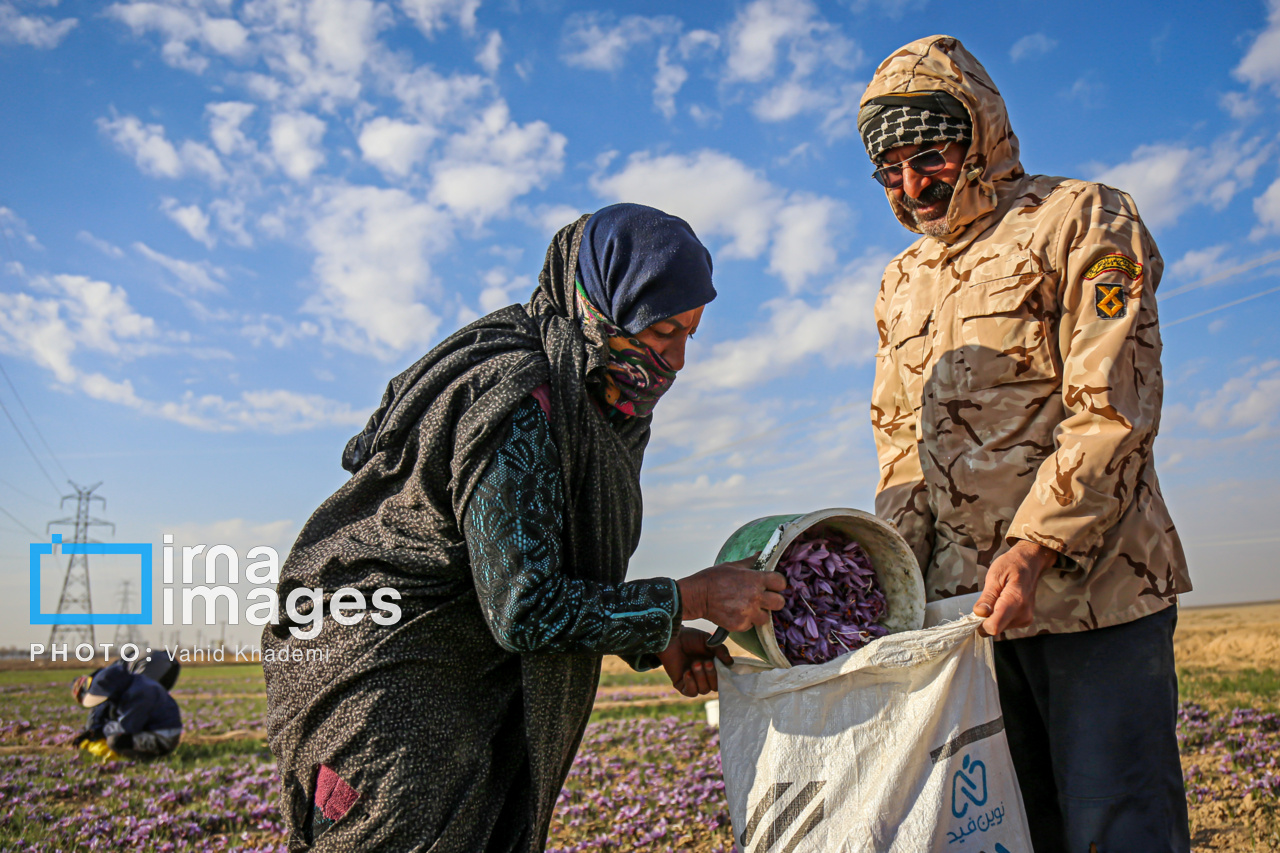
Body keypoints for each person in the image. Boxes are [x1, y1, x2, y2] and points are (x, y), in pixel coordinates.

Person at [262, 203, 786, 852]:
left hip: (456, 689)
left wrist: (662, 634)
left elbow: (555, 566)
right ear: (603, 308)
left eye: (689, 335)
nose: (676, 359)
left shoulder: (594, 396)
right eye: (660, 332)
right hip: (392, 699)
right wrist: (692, 597)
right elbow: (526, 606)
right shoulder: (519, 397)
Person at [859, 36, 1191, 852]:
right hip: (970, 618)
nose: (911, 186)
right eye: (889, 170)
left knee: (1118, 826)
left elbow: (1114, 406)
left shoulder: (1083, 216)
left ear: (978, 133)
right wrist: (894, 582)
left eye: (929, 157)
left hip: (1096, 598)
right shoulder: (899, 280)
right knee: (1012, 829)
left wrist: (1037, 544)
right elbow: (900, 444)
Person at [70, 659, 183, 759]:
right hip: (157, 729)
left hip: (163, 737)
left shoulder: (138, 695)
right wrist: (92, 731)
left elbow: (127, 727)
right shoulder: (133, 684)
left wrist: (101, 731)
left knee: (115, 742)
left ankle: (146, 759)